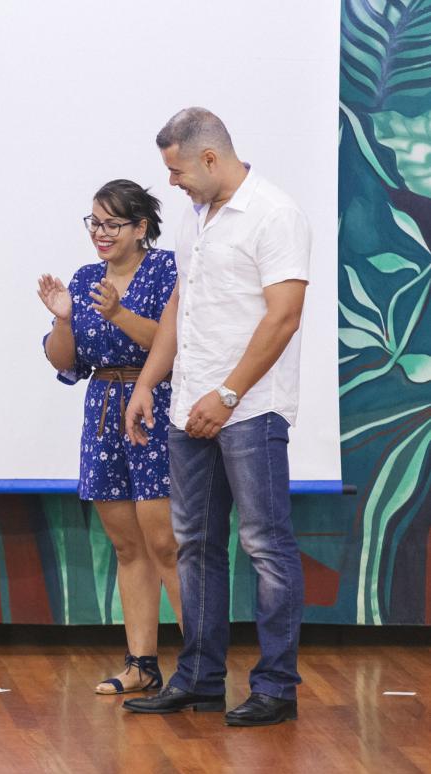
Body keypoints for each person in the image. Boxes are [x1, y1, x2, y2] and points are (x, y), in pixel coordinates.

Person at [122, 108, 309, 727]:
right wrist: (148, 382)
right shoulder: (195, 216)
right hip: (188, 408)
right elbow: (183, 301)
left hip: (250, 410)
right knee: (196, 544)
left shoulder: (274, 214)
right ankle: (199, 681)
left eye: (177, 170)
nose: (171, 182)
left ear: (209, 157)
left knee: (265, 545)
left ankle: (276, 688)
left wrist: (227, 394)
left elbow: (283, 316)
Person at [37, 179, 182, 695]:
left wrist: (118, 313)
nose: (100, 233)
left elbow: (173, 342)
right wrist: (63, 320)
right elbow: (65, 362)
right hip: (102, 411)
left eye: (112, 224)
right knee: (126, 546)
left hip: (155, 405)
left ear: (141, 228)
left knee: (166, 544)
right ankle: (141, 664)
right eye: (94, 223)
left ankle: (200, 667)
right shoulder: (85, 278)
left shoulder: (167, 269)